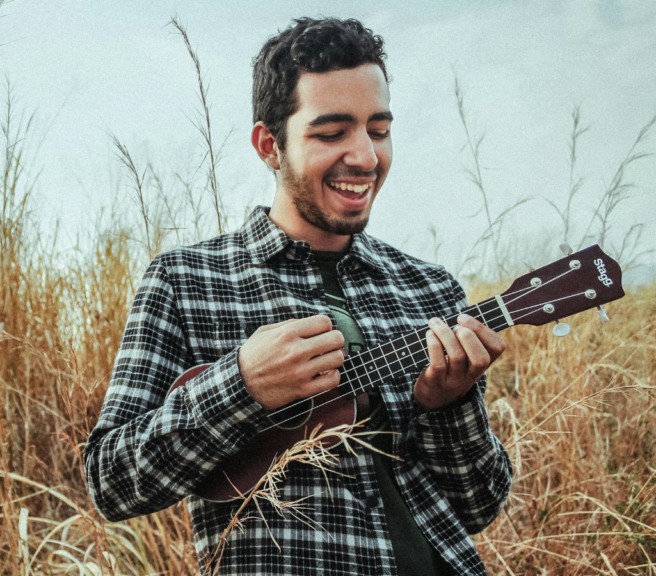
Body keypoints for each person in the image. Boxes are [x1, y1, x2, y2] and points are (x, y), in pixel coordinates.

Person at [84, 17, 512, 576]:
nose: (364, 157)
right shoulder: (186, 280)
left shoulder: (428, 288)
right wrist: (241, 385)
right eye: (332, 133)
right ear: (270, 145)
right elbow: (112, 483)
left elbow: (478, 507)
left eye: (378, 130)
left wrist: (448, 408)